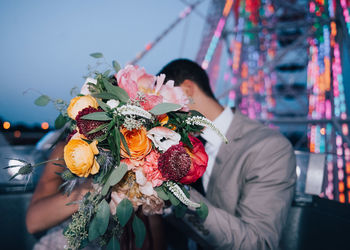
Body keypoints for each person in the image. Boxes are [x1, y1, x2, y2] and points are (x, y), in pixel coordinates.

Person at [158, 59, 296, 250]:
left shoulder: (269, 147)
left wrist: (176, 193)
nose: (161, 114)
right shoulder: (175, 145)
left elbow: (257, 243)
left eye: (163, 103)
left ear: (187, 90)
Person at [26, 138, 165, 249]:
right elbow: (33, 222)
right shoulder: (68, 150)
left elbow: (151, 237)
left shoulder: (148, 159)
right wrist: (96, 186)